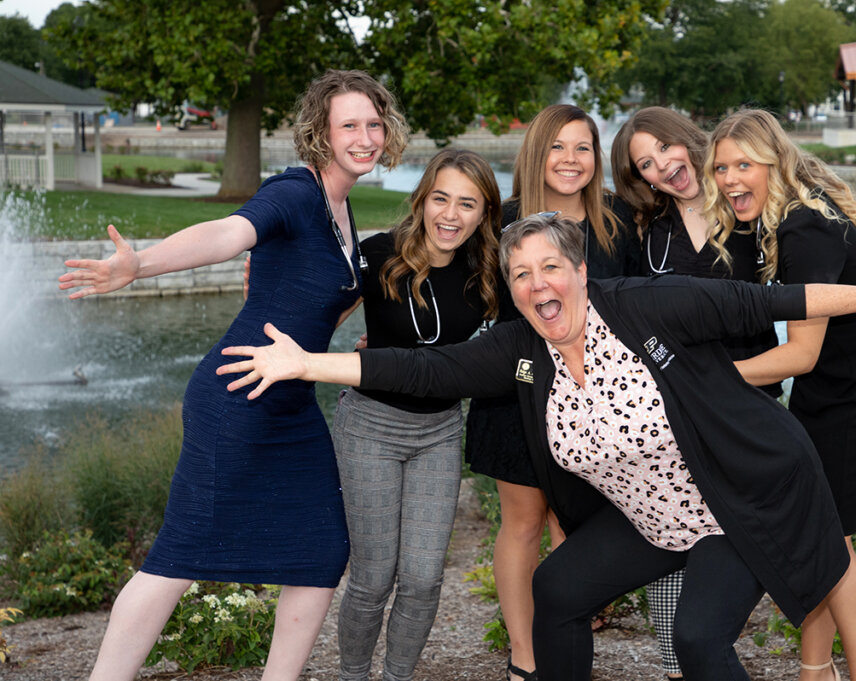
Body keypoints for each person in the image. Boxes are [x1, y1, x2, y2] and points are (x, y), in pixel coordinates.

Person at [218, 214, 856, 681]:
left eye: (550, 267)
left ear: (579, 272)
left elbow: (769, 302)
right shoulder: (521, 349)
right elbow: (424, 367)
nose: (538, 283)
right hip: (651, 516)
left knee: (699, 639)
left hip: (737, 499)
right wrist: (309, 365)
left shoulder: (644, 305)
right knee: (557, 591)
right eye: (521, 273)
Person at [56, 69, 408, 681]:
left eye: (374, 124)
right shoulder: (296, 193)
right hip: (237, 397)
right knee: (177, 556)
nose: (365, 136)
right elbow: (227, 234)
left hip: (291, 406)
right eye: (349, 124)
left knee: (321, 549)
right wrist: (140, 264)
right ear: (321, 133)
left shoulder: (342, 211)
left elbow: (319, 292)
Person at [705, 108, 856, 681]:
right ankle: (815, 670)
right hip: (832, 385)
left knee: (828, 540)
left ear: (774, 162)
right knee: (826, 533)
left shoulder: (801, 224)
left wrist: (704, 381)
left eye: (743, 164)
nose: (728, 179)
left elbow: (799, 354)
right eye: (720, 167)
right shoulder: (785, 214)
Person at [461, 103, 638, 681]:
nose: (570, 159)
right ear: (537, 152)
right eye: (557, 147)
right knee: (524, 522)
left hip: (598, 400)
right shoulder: (500, 221)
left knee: (579, 523)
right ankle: (525, 656)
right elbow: (429, 261)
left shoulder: (617, 221)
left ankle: (566, 640)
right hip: (518, 390)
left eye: (583, 147)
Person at [611, 107, 784, 679]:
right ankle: (675, 662)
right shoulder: (647, 230)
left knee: (740, 527)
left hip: (749, 397)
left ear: (688, 140)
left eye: (667, 148)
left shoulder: (746, 208)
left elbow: (806, 260)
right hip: (676, 408)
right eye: (646, 163)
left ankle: (710, 644)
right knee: (672, 527)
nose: (664, 166)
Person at [330, 148, 501, 681]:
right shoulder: (379, 253)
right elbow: (321, 309)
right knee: (373, 577)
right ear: (422, 199)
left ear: (483, 213)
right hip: (369, 429)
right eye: (441, 198)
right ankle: (354, 675)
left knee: (425, 578)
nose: (451, 215)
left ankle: (398, 675)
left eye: (467, 204)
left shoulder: (487, 271)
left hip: (439, 432)